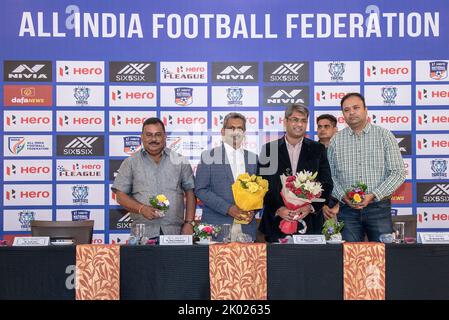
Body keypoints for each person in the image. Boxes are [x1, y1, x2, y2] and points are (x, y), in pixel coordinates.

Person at [324, 92, 405, 242]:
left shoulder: (384, 136)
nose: (351, 112)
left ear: (366, 110)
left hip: (378, 208)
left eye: (356, 108)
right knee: (350, 258)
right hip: (347, 211)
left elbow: (398, 173)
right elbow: (331, 175)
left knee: (383, 255)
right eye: (346, 110)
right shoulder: (336, 140)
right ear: (343, 114)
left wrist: (373, 195)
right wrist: (343, 196)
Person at [258, 104, 333, 243]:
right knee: (278, 265)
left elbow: (327, 183)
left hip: (309, 224)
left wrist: (310, 207)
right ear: (285, 122)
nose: (299, 124)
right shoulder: (269, 149)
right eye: (295, 119)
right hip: (276, 223)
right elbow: (261, 186)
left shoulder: (318, 149)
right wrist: (278, 208)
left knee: (309, 265)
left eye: (303, 120)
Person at [112, 117, 196, 239]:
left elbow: (190, 192)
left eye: (158, 135)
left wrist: (189, 222)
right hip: (142, 234)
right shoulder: (130, 162)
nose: (153, 139)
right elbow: (120, 196)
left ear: (164, 136)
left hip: (174, 232)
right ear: (142, 137)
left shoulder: (180, 161)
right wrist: (141, 209)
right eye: (149, 135)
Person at [195, 112, 258, 241]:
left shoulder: (253, 158)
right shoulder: (208, 157)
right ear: (223, 131)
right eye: (231, 128)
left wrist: (253, 211)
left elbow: (259, 193)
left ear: (244, 132)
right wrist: (228, 208)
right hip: (216, 229)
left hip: (247, 230)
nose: (236, 132)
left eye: (240, 128)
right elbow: (201, 190)